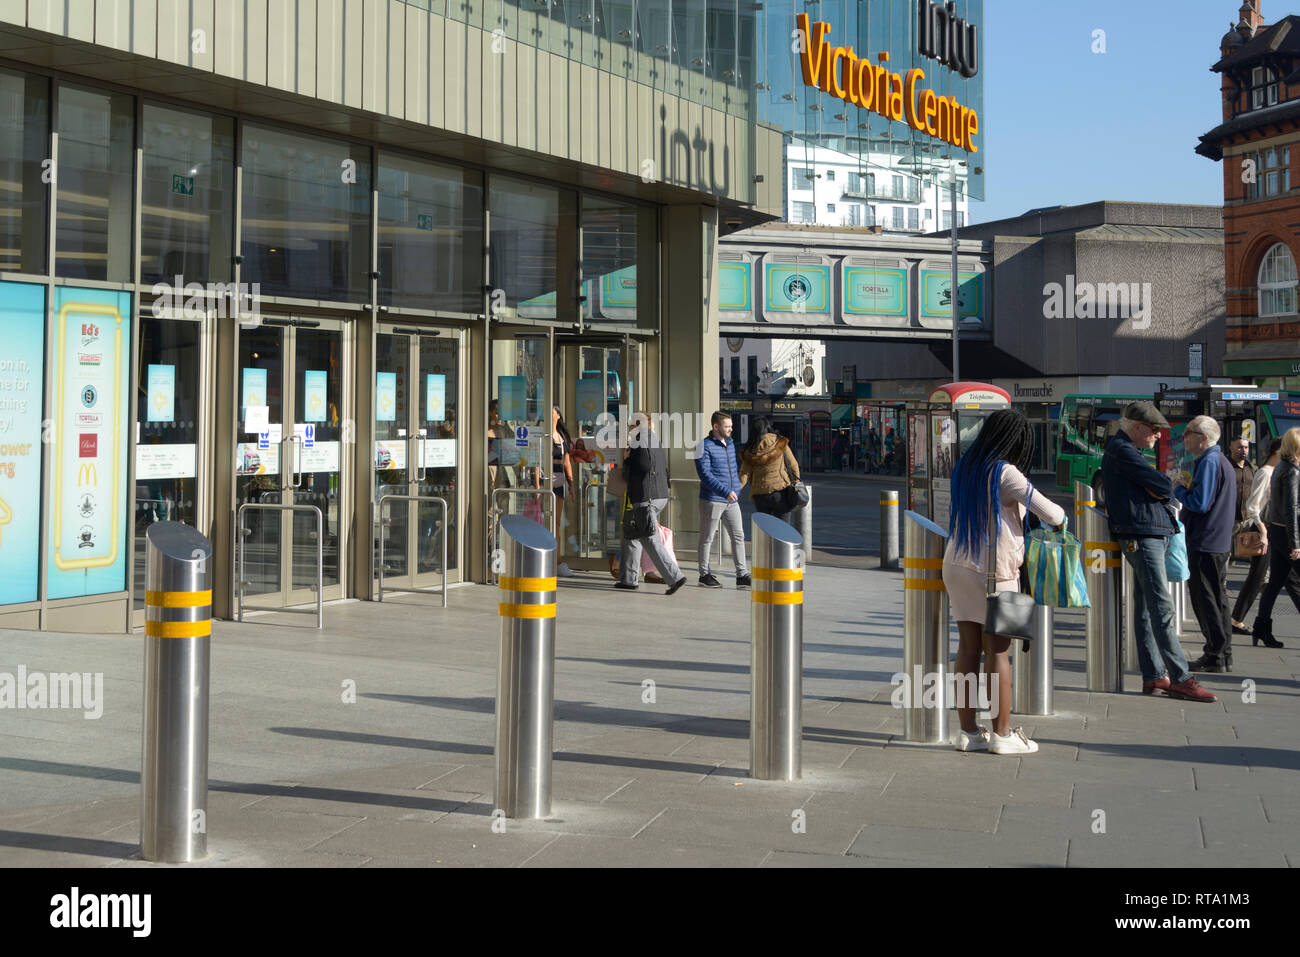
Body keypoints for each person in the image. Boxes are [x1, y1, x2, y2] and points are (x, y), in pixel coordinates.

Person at [943, 410, 1068, 755]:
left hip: (957, 564)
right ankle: (1002, 733)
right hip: (993, 572)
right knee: (998, 652)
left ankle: (968, 732)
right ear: (1014, 441)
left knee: (967, 648)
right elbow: (1054, 514)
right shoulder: (1005, 472)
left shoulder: (965, 466)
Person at [1100, 402, 1216, 701]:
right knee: (1161, 608)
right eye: (1153, 430)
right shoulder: (1124, 451)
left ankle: (1154, 676)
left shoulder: (1127, 451)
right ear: (1136, 427)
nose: (1156, 436)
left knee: (1145, 608)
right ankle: (1180, 677)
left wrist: (1159, 486)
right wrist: (1162, 485)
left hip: (1144, 531)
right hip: (1141, 533)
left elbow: (1159, 487)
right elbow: (1164, 485)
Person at [1177, 415, 1239, 675]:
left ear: (1203, 438)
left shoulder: (1210, 461)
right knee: (1217, 598)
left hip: (1205, 540)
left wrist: (1179, 489)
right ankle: (1222, 654)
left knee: (1207, 600)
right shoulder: (1218, 460)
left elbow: (1200, 504)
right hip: (1217, 539)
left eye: (1188, 432)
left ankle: (1215, 653)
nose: (1184, 436)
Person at [1232, 438, 1300, 636]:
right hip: (1265, 530)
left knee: (1284, 578)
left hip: (1273, 531)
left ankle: (1241, 621)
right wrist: (1263, 531)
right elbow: (1253, 506)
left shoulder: (1278, 472)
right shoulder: (1265, 473)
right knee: (1260, 576)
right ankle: (1236, 620)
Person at [615, 413, 687, 595]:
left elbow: (643, 465)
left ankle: (675, 577)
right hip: (658, 494)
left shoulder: (639, 441)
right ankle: (628, 579)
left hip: (645, 496)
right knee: (632, 534)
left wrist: (627, 460)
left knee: (649, 538)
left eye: (631, 425)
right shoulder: (655, 441)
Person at [1249, 427, 1300, 649]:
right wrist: (1296, 543)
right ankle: (1262, 627)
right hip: (1289, 533)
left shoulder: (1281, 467)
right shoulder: (1293, 471)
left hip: (1278, 531)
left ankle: (1262, 627)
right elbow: (1291, 507)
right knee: (1277, 582)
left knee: (1275, 582)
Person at [695, 411, 751, 589]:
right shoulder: (702, 446)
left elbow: (733, 470)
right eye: (727, 426)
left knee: (738, 536)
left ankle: (742, 575)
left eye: (731, 426)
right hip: (712, 499)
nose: (731, 429)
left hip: (731, 500)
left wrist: (735, 489)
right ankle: (704, 575)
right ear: (716, 427)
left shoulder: (731, 444)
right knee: (707, 537)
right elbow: (705, 474)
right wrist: (725, 491)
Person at [739, 417, 801, 524]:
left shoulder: (750, 450)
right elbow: (793, 464)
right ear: (768, 427)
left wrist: (734, 491)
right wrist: (797, 481)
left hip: (760, 495)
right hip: (780, 493)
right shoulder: (780, 442)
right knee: (783, 529)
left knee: (765, 530)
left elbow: (744, 475)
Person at [550, 406, 575, 577]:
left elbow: (567, 463)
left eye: (552, 411)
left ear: (558, 415)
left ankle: (556, 561)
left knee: (556, 524)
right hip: (546, 483)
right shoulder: (543, 436)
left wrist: (571, 485)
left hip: (558, 482)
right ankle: (548, 559)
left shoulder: (562, 438)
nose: (549, 414)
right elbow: (537, 460)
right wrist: (537, 486)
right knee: (544, 522)